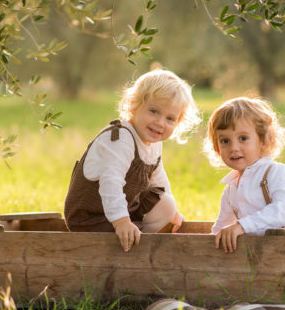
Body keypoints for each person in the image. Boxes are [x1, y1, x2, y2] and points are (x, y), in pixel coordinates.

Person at [64, 69, 200, 252]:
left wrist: (172, 214)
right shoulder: (121, 139)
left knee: (166, 204)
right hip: (91, 218)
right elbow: (110, 182)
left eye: (170, 118)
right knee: (151, 211)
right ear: (134, 106)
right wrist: (121, 222)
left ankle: (138, 245)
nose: (160, 123)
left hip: (122, 211)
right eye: (154, 111)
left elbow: (158, 181)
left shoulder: (153, 143)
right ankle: (130, 246)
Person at [204, 97, 285, 253]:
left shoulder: (276, 173)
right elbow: (222, 226)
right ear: (216, 147)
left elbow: (283, 210)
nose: (234, 147)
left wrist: (242, 226)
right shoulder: (231, 190)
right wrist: (205, 245)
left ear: (263, 141)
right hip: (266, 253)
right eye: (225, 141)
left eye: (243, 138)